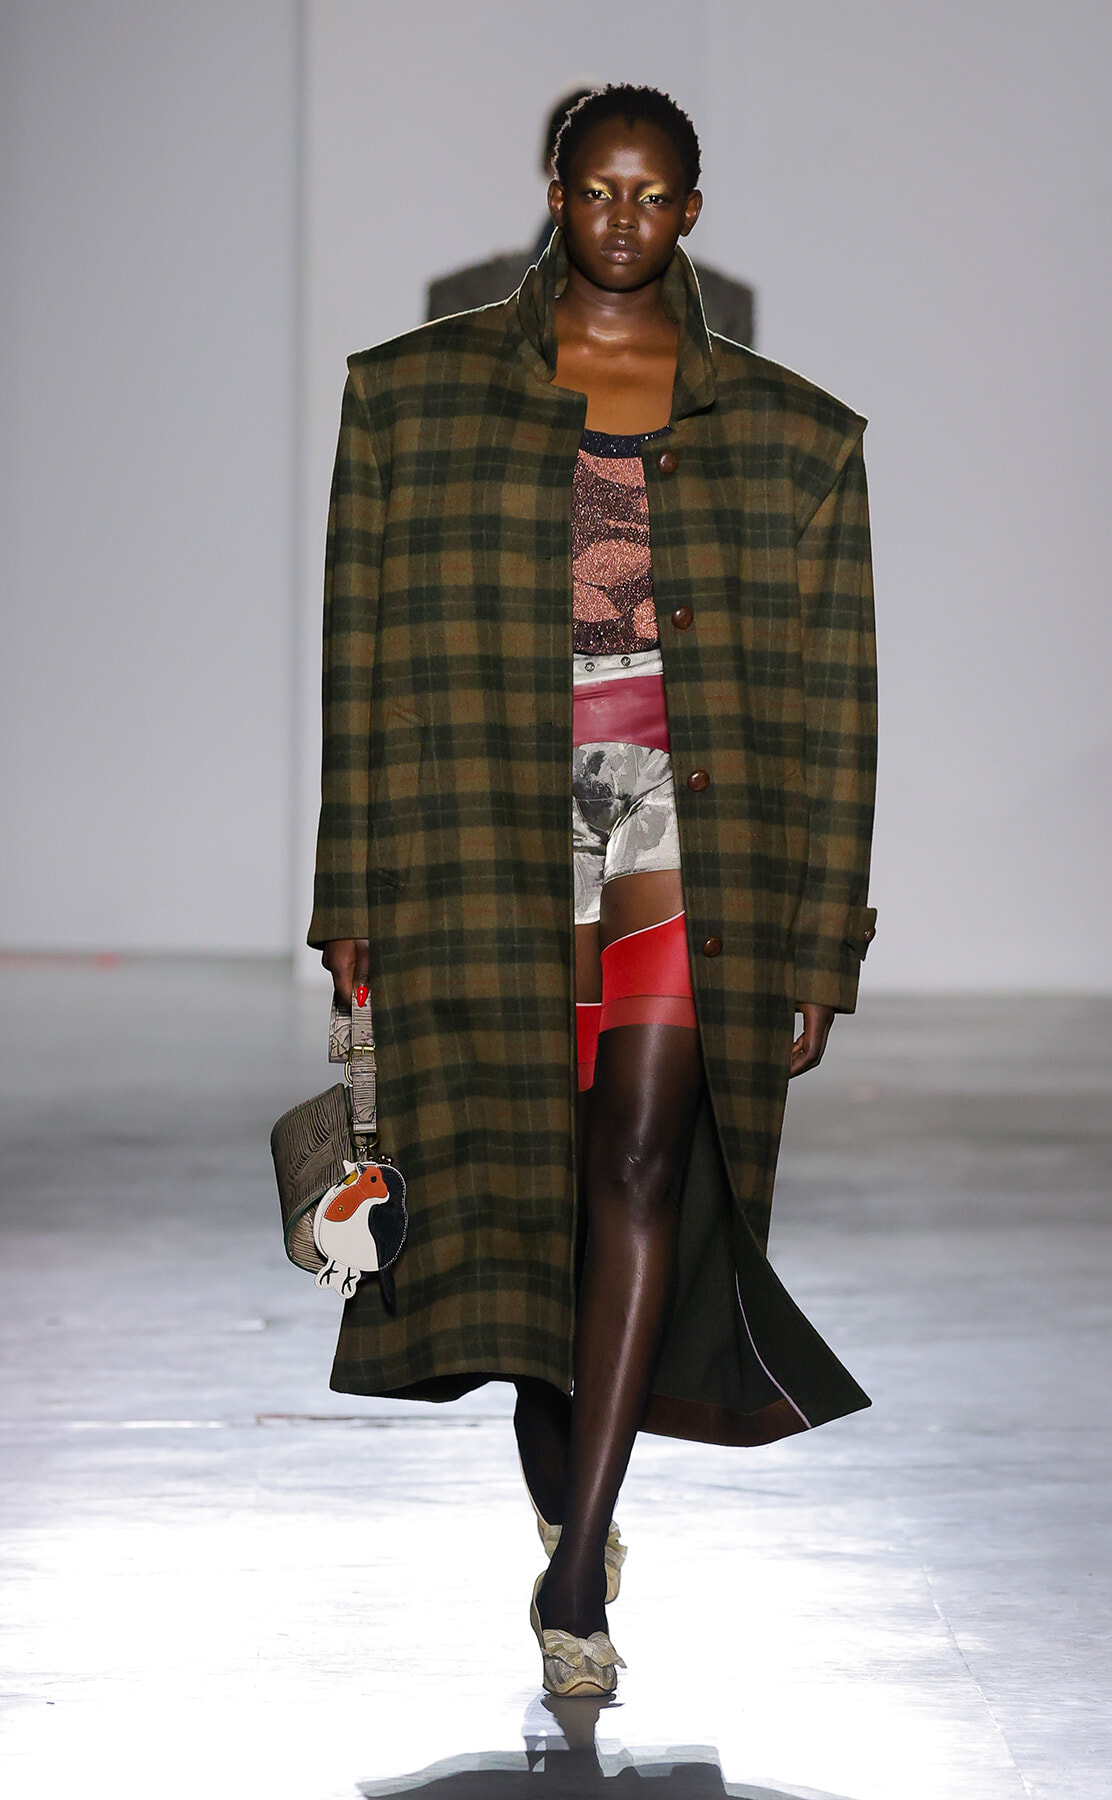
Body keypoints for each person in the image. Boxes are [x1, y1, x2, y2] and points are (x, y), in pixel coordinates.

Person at [310, 84, 877, 1698]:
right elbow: (359, 664)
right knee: (529, 1191)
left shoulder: (796, 435)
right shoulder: (409, 397)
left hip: (685, 841)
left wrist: (821, 945)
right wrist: (351, 893)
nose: (624, 217)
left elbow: (839, 708)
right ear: (553, 193)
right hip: (480, 835)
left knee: (637, 1164)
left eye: (654, 193)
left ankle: (576, 1573)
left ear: (693, 209)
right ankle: (575, 1492)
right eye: (598, 188)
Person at [426, 88, 756, 346]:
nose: (622, 214)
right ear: (554, 177)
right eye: (598, 187)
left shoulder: (723, 308)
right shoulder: (462, 300)